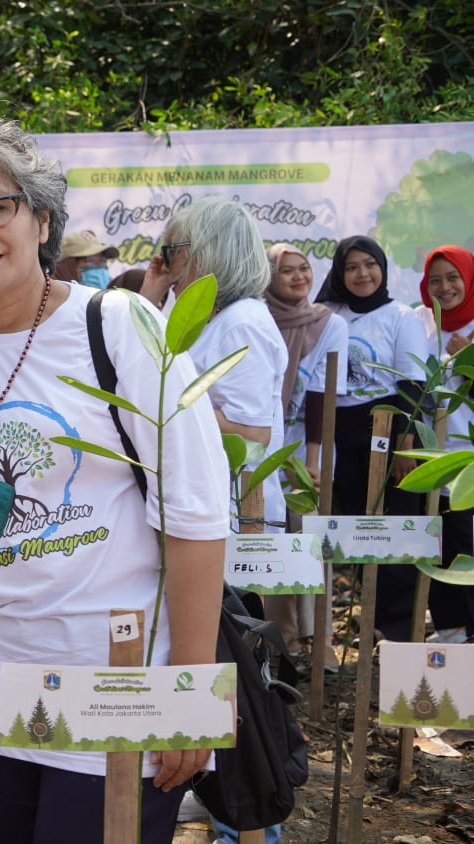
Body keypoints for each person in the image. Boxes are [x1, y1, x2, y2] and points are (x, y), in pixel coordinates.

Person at [0, 100, 229, 844]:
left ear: (40, 221)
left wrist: (191, 690)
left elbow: (198, 516)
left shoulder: (120, 327)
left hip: (116, 688)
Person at [314, 235, 431, 641]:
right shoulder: (327, 313)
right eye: (351, 267)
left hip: (385, 425)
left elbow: (414, 387)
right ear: (339, 273)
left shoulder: (401, 316)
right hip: (337, 433)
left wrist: (405, 447)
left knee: (395, 526)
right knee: (353, 528)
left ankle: (398, 626)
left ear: (382, 268)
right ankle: (372, 617)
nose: (361, 274)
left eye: (369, 265)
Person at [150, 197, 289, 535]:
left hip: (236, 516)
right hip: (208, 507)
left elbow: (252, 434)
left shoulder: (242, 323)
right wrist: (149, 295)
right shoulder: (216, 318)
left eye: (171, 251)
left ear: (206, 252)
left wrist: (170, 406)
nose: (164, 264)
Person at [262, 243, 348, 661]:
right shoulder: (257, 318)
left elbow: (321, 396)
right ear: (268, 278)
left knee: (313, 541)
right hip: (263, 450)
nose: (299, 277)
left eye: (304, 269)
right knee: (275, 537)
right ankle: (284, 638)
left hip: (307, 450)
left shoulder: (328, 324)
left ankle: (320, 642)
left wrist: (311, 464)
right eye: (287, 271)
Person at [418, 244, 474, 645]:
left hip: (469, 453)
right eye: (435, 280)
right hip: (433, 453)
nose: (445, 287)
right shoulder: (419, 323)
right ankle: (451, 625)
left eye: (452, 277)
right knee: (442, 541)